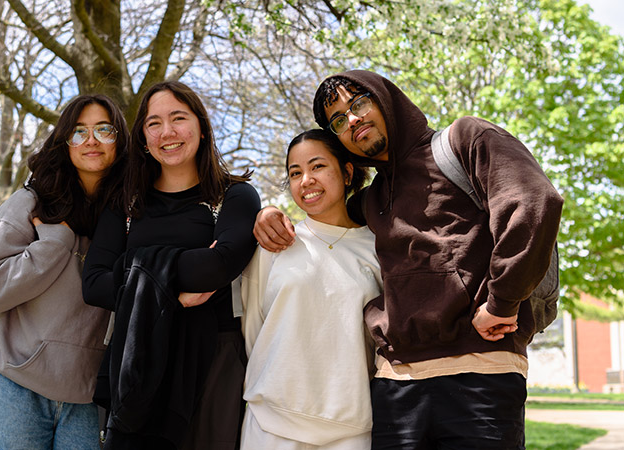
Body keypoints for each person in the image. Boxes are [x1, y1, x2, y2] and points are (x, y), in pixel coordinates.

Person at [254, 70, 564, 449]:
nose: (352, 119)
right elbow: (324, 214)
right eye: (338, 119)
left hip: (480, 371)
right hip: (396, 386)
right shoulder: (370, 200)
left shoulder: (464, 140)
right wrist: (268, 212)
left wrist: (502, 301)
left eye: (359, 103)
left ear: (386, 99)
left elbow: (533, 202)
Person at [82, 81, 261, 450]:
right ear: (143, 137)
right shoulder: (126, 203)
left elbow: (218, 265)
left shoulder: (235, 195)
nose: (167, 132)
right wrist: (171, 292)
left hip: (212, 357)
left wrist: (135, 270)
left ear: (201, 126)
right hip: (136, 355)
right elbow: (94, 284)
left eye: (178, 118)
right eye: (154, 123)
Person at [0, 94, 129, 450]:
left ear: (120, 140)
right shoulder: (30, 203)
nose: (91, 140)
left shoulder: (130, 215)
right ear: (64, 142)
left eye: (104, 130)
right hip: (13, 380)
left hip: (87, 394)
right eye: (78, 131)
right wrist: (51, 246)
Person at [240, 129, 382, 450]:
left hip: (353, 428)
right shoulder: (273, 242)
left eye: (317, 166)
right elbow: (253, 328)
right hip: (270, 425)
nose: (305, 180)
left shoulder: (378, 249)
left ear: (347, 173)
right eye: (295, 173)